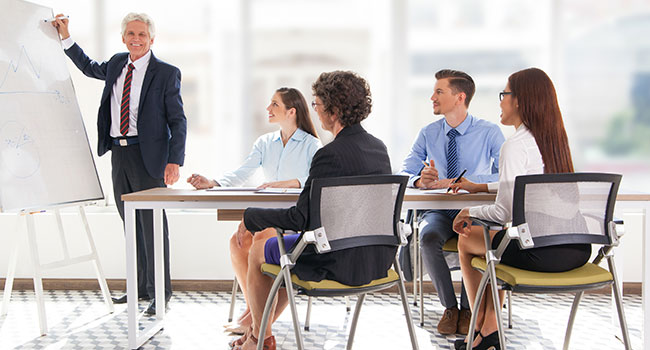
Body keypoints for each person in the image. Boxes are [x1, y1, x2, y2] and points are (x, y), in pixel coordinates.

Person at [229, 71, 392, 350]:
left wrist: (251, 215)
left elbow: (301, 219)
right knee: (274, 249)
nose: (315, 112)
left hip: (336, 260)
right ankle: (257, 333)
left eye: (317, 104)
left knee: (260, 249)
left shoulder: (328, 155)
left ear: (333, 108)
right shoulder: (379, 149)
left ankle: (260, 338)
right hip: (377, 259)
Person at [52, 13, 187, 315]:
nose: (135, 39)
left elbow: (178, 120)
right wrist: (66, 37)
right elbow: (88, 67)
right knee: (131, 224)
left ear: (151, 39)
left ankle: (160, 293)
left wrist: (174, 161)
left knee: (152, 226)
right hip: (119, 153)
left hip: (149, 157)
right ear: (123, 37)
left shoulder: (166, 73)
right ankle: (139, 288)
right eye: (130, 34)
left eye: (141, 34)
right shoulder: (116, 63)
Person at [451, 68, 588, 350]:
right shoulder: (555, 141)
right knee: (492, 245)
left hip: (538, 253)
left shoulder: (515, 145)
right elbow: (530, 188)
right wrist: (481, 188)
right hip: (577, 249)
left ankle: (481, 326)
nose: (501, 101)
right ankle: (489, 330)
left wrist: (468, 211)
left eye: (505, 94)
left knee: (468, 239)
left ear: (520, 101)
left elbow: (504, 213)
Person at [187, 87, 321, 334]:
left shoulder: (312, 144)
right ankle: (255, 312)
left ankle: (256, 320)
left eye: (274, 104)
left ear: (291, 111)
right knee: (237, 242)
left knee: (262, 239)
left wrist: (292, 182)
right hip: (269, 214)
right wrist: (213, 182)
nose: (268, 109)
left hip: (295, 217)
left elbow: (316, 179)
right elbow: (243, 171)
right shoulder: (265, 142)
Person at [399, 69, 504, 335]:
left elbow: (504, 174)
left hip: (474, 210)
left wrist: (462, 181)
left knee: (474, 238)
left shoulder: (489, 132)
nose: (432, 97)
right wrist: (420, 180)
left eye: (439, 91)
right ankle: (450, 308)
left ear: (460, 97)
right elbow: (404, 171)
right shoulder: (428, 133)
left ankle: (470, 308)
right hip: (438, 211)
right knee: (428, 236)